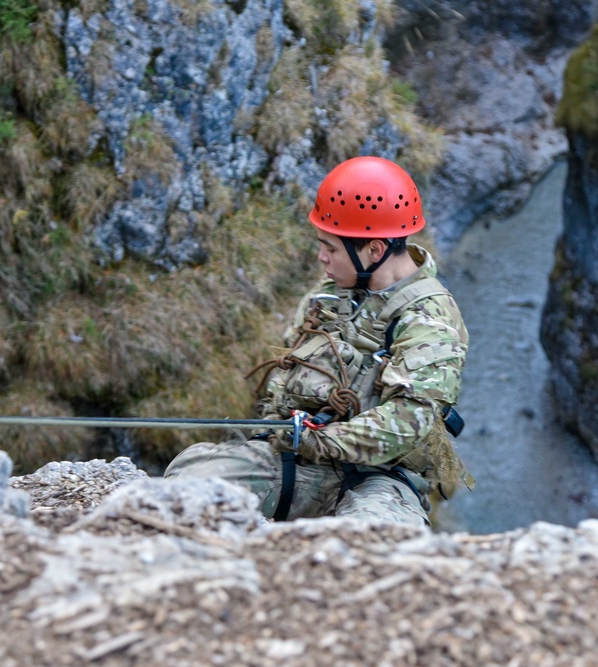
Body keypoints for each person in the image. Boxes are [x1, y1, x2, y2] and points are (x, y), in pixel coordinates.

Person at [164, 156, 472, 526]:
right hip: (294, 462)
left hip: (378, 479)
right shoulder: (328, 295)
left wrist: (320, 439)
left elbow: (409, 421)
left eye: (332, 248)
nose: (321, 257)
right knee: (183, 488)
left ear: (374, 250)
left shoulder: (429, 319)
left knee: (379, 543)